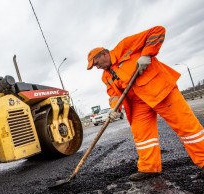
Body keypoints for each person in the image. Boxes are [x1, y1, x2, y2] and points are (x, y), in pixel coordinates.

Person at [87, 26, 204, 181]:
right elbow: (113, 94)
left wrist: (147, 54)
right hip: (138, 103)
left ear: (103, 54)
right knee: (142, 135)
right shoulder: (106, 76)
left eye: (96, 63)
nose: (97, 67)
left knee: (187, 128)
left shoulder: (125, 46)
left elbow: (157, 31)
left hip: (160, 91)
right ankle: (149, 168)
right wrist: (114, 109)